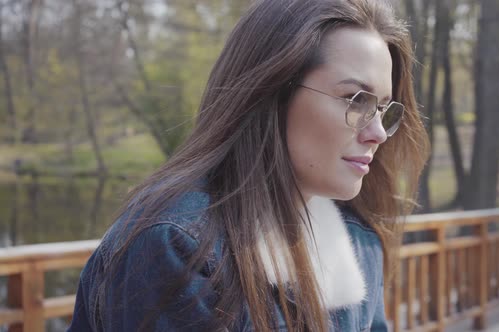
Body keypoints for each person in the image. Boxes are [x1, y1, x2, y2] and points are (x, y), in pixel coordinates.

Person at [68, 0, 429, 330]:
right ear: (271, 93)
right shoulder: (177, 245)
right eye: (355, 99)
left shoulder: (357, 240)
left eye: (383, 108)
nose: (379, 133)